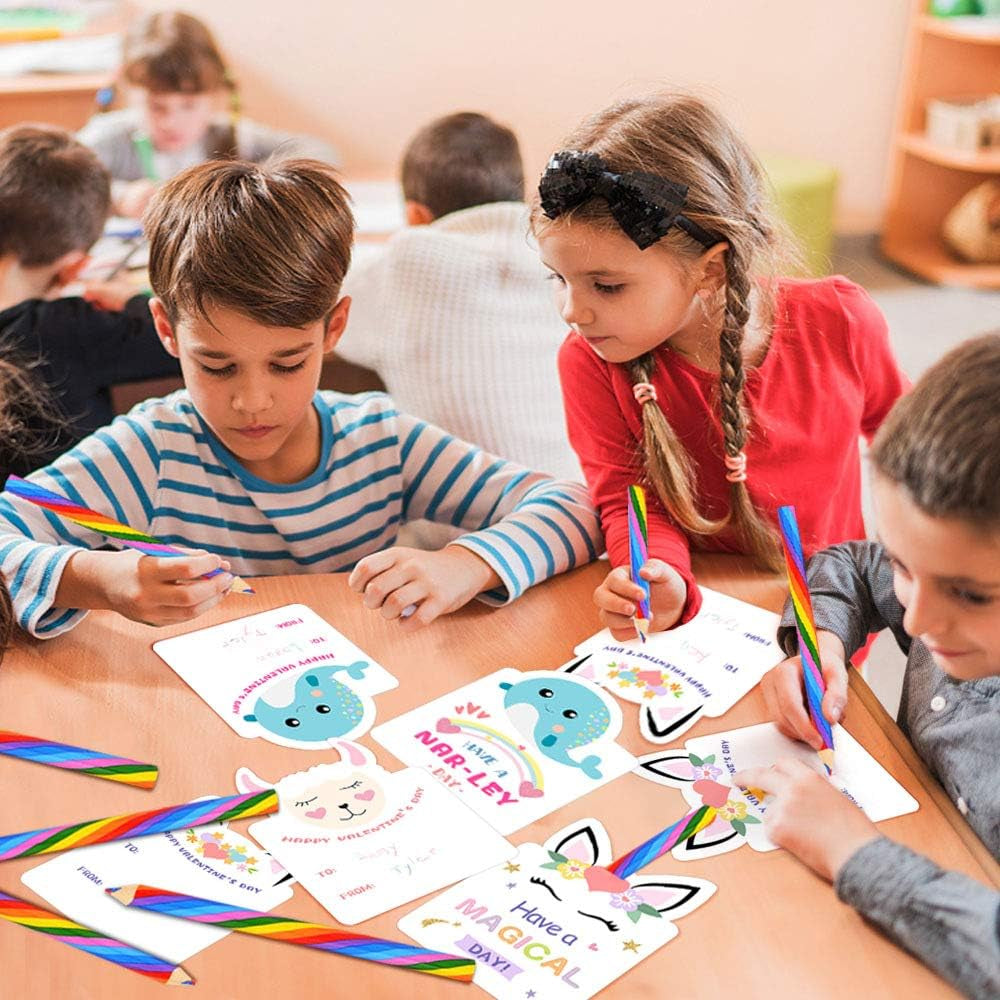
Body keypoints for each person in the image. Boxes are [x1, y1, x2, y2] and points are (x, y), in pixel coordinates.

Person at [0, 157, 601, 639]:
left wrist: (467, 565)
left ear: (333, 330)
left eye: (288, 363)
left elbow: (574, 507)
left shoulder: (380, 443)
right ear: (166, 331)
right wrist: (95, 579)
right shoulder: (151, 453)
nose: (253, 402)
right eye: (217, 365)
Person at [533, 93, 907, 637]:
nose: (572, 311)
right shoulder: (590, 361)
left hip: (828, 617)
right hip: (705, 621)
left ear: (711, 270)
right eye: (558, 279)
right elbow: (629, 499)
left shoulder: (841, 321)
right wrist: (659, 575)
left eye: (607, 286)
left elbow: (910, 444)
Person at [737, 334, 1000, 1000]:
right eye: (908, 567)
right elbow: (855, 567)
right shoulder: (953, 558)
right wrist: (821, 643)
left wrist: (858, 855)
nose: (914, 623)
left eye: (970, 595)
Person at [338, 111, 580, 489]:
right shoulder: (563, 262)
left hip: (452, 528)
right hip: (573, 508)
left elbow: (328, 312)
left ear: (416, 216)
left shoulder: (407, 264)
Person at [0, 124, 179, 475]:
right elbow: (188, 339)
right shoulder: (68, 327)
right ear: (74, 267)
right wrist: (132, 302)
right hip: (59, 525)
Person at [78, 10, 338, 217]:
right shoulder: (110, 138)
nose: (170, 121)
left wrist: (259, 182)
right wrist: (119, 196)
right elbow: (61, 183)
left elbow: (319, 153)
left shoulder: (230, 136)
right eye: (156, 106)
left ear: (215, 96)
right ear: (129, 92)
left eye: (189, 106)